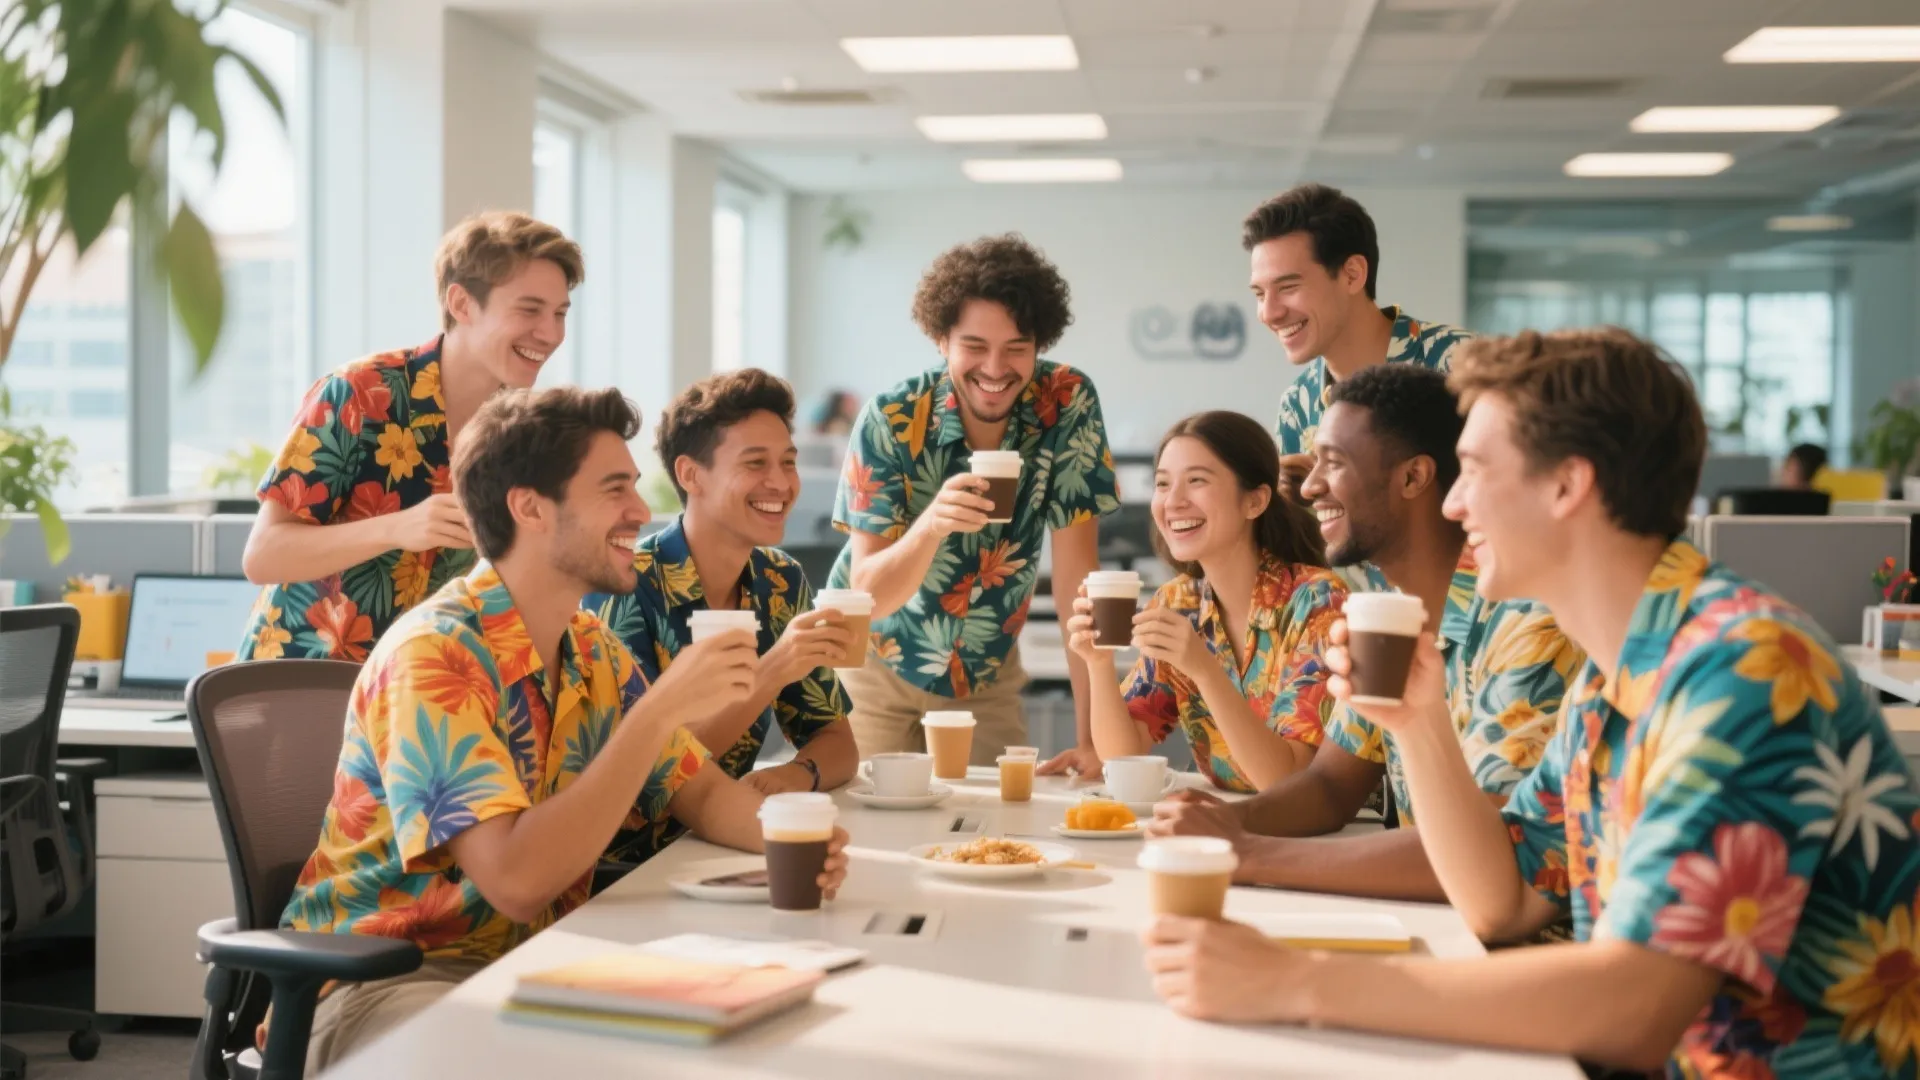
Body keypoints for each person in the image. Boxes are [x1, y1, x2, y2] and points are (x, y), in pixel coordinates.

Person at [1140, 329, 1920, 1077]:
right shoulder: (1614, 676)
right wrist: (1418, 723)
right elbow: (1505, 897)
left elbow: (1639, 1008)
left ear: (1567, 485)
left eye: (1475, 471)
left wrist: (1295, 981)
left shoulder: (1744, 668)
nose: (1452, 504)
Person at [282, 387, 849, 1070]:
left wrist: (793, 839)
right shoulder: (435, 657)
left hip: (537, 964)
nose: (639, 510)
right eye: (614, 490)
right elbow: (514, 881)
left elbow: (701, 793)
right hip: (391, 980)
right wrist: (660, 711)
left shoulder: (590, 648)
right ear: (530, 508)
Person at [1149, 365, 1583, 903]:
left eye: (1333, 463)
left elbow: (1493, 850)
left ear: (1413, 478)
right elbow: (1331, 786)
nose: (1309, 486)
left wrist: (1246, 851)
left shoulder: (1525, 622)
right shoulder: (1384, 615)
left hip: (1502, 939)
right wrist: (1222, 821)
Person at [829, 234, 1119, 775]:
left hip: (983, 671)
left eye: (1016, 348)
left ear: (1039, 343)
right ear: (941, 339)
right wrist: (931, 526)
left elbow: (1077, 581)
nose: (995, 367)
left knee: (995, 818)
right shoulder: (892, 419)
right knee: (862, 814)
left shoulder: (1066, 403)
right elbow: (865, 593)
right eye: (975, 346)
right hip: (875, 664)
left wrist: (1091, 737)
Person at [237, 211, 581, 662]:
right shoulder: (360, 393)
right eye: (530, 310)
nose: (551, 333)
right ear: (461, 304)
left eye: (560, 314)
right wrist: (397, 528)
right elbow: (262, 556)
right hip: (300, 680)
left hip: (421, 685)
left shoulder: (524, 432)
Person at [589, 369, 860, 864]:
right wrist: (772, 670)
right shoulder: (624, 585)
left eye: (788, 462)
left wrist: (796, 774)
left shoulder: (779, 580)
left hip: (731, 839)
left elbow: (838, 742)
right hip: (623, 866)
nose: (780, 482)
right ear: (691, 475)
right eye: (755, 463)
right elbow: (650, 770)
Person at [1067, 411, 1345, 793]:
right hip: (1228, 818)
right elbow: (1122, 755)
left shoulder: (1317, 602)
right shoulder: (1178, 603)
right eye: (1162, 484)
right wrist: (1098, 664)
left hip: (1319, 824)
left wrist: (1204, 670)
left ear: (1255, 501)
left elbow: (1287, 782)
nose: (1173, 501)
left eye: (1196, 480)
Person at [1248, 184, 1473, 504]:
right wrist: (1291, 508)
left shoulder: (1458, 364)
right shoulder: (1297, 406)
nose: (1269, 313)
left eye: (1288, 287)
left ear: (1352, 275)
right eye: (1260, 294)